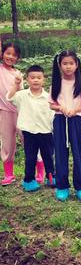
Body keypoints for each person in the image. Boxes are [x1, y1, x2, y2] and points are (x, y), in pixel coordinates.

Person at [49, 50, 81, 201]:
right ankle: (62, 186)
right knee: (60, 153)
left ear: (77, 64)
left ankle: (80, 186)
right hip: (60, 120)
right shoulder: (56, 83)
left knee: (79, 152)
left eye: (71, 63)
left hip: (76, 120)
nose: (68, 67)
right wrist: (61, 108)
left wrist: (74, 110)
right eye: (65, 63)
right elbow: (52, 104)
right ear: (60, 65)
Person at [7, 65, 55, 192]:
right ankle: (29, 180)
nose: (36, 80)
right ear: (27, 80)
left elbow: (52, 114)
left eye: (39, 77)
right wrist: (16, 85)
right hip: (29, 132)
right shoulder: (22, 95)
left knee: (48, 156)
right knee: (30, 157)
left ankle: (51, 176)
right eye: (32, 77)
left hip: (46, 131)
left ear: (43, 79)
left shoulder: (48, 97)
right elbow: (10, 97)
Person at [0, 41, 23, 186]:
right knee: (7, 143)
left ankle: (39, 172)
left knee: (29, 140)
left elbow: (21, 94)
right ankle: (9, 174)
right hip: (5, 111)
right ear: (2, 54)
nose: (10, 57)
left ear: (18, 58)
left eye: (14, 55)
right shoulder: (0, 70)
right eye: (7, 53)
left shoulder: (18, 74)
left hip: (21, 112)